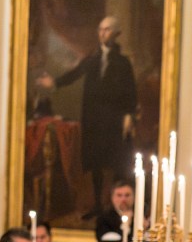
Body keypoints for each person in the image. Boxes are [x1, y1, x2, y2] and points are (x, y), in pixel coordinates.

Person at [36, 15, 138, 218]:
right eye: (101, 29)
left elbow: (130, 91)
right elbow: (75, 74)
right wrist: (55, 83)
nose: (103, 33)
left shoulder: (123, 62)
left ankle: (116, 208)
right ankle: (98, 207)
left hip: (114, 120)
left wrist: (129, 115)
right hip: (93, 119)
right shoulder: (92, 58)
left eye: (107, 29)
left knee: (116, 162)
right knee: (95, 164)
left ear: (116, 34)